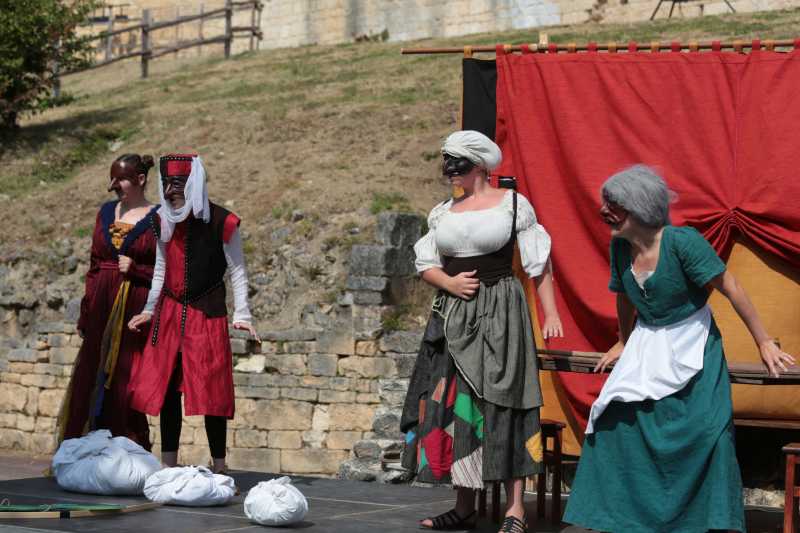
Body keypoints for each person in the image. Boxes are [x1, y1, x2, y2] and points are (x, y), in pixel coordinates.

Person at [564, 164, 796, 532]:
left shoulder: (682, 242)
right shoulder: (621, 248)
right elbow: (624, 296)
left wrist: (763, 341)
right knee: (613, 421)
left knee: (706, 432)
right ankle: (624, 518)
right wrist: (624, 340)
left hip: (691, 342)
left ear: (639, 206)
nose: (604, 211)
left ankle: (708, 521)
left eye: (613, 204)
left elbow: (731, 287)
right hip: (647, 344)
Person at [400, 131, 563, 532]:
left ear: (478, 165)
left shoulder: (512, 205)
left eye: (456, 161)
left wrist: (550, 314)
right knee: (459, 403)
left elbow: (538, 263)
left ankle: (515, 510)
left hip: (501, 311)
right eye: (446, 161)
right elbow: (425, 262)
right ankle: (464, 505)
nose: (449, 169)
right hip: (454, 315)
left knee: (505, 400)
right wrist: (448, 283)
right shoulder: (443, 212)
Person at [127, 153, 258, 474]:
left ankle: (220, 466)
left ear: (193, 184)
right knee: (169, 390)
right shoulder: (162, 220)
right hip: (170, 314)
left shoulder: (222, 221)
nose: (170, 192)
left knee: (212, 391)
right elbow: (161, 269)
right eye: (167, 185)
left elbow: (237, 270)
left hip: (207, 313)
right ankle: (168, 465)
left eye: (178, 185)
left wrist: (243, 314)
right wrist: (149, 309)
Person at [57, 154, 158, 449]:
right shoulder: (105, 213)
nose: (114, 185)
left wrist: (137, 270)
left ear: (140, 180)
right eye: (112, 179)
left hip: (134, 308)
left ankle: (126, 450)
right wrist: (86, 311)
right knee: (91, 374)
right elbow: (94, 265)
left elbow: (168, 271)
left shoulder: (158, 218)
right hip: (101, 304)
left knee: (125, 378)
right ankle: (80, 448)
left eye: (121, 179)